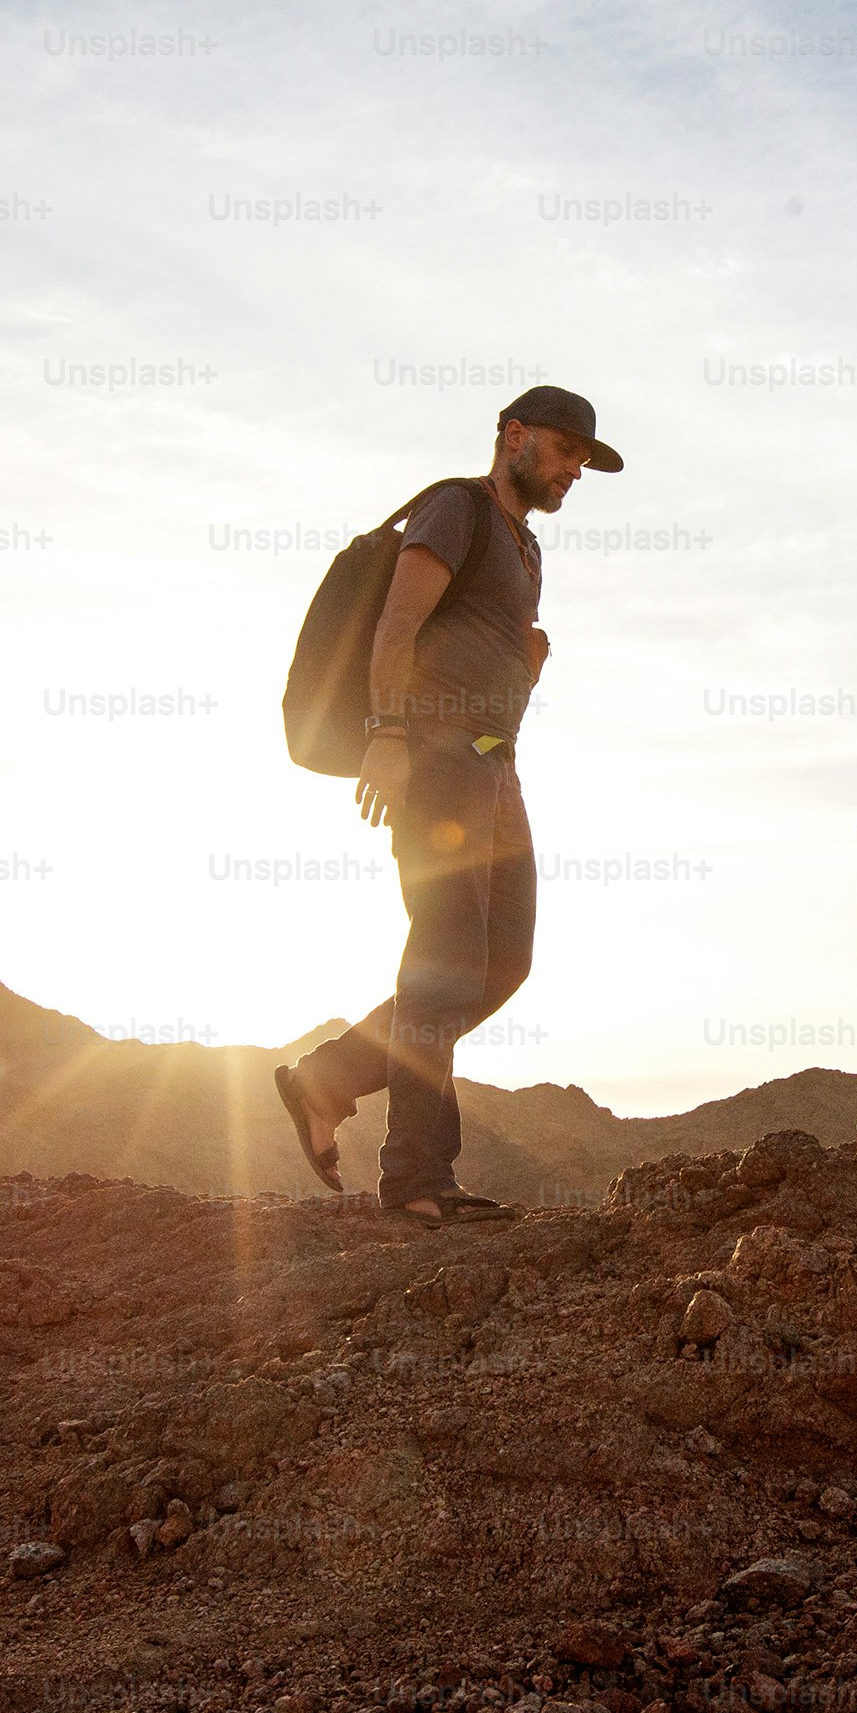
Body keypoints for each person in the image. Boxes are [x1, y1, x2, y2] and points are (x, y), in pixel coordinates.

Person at [275, 386, 620, 1222]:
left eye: (584, 459)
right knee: (446, 958)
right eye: (566, 451)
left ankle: (326, 1081)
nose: (576, 471)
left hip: (495, 768)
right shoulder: (454, 509)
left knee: (503, 964)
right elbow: (397, 625)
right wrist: (388, 737)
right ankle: (418, 1176)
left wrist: (525, 670)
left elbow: (478, 654)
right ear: (515, 438)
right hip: (433, 759)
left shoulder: (526, 548)